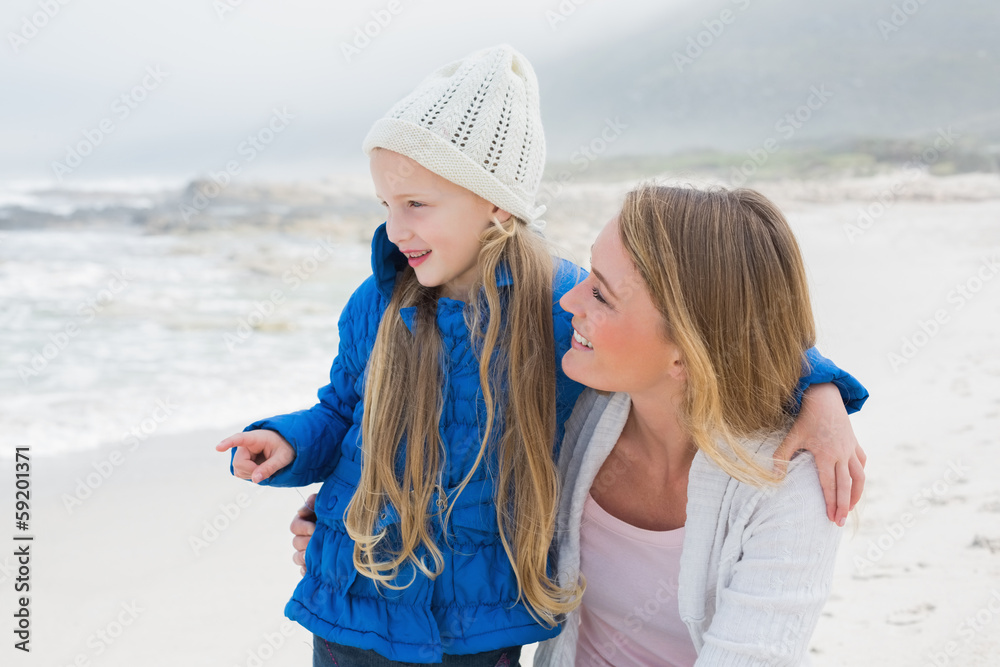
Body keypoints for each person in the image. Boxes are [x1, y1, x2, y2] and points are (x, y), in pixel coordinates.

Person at [223, 45, 867, 666]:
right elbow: (340, 411)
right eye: (387, 205)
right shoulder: (383, 305)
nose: (395, 228)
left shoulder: (559, 312)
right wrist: (299, 459)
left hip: (478, 620)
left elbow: (722, 323)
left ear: (496, 203)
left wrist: (822, 391)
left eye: (417, 203)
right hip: (352, 594)